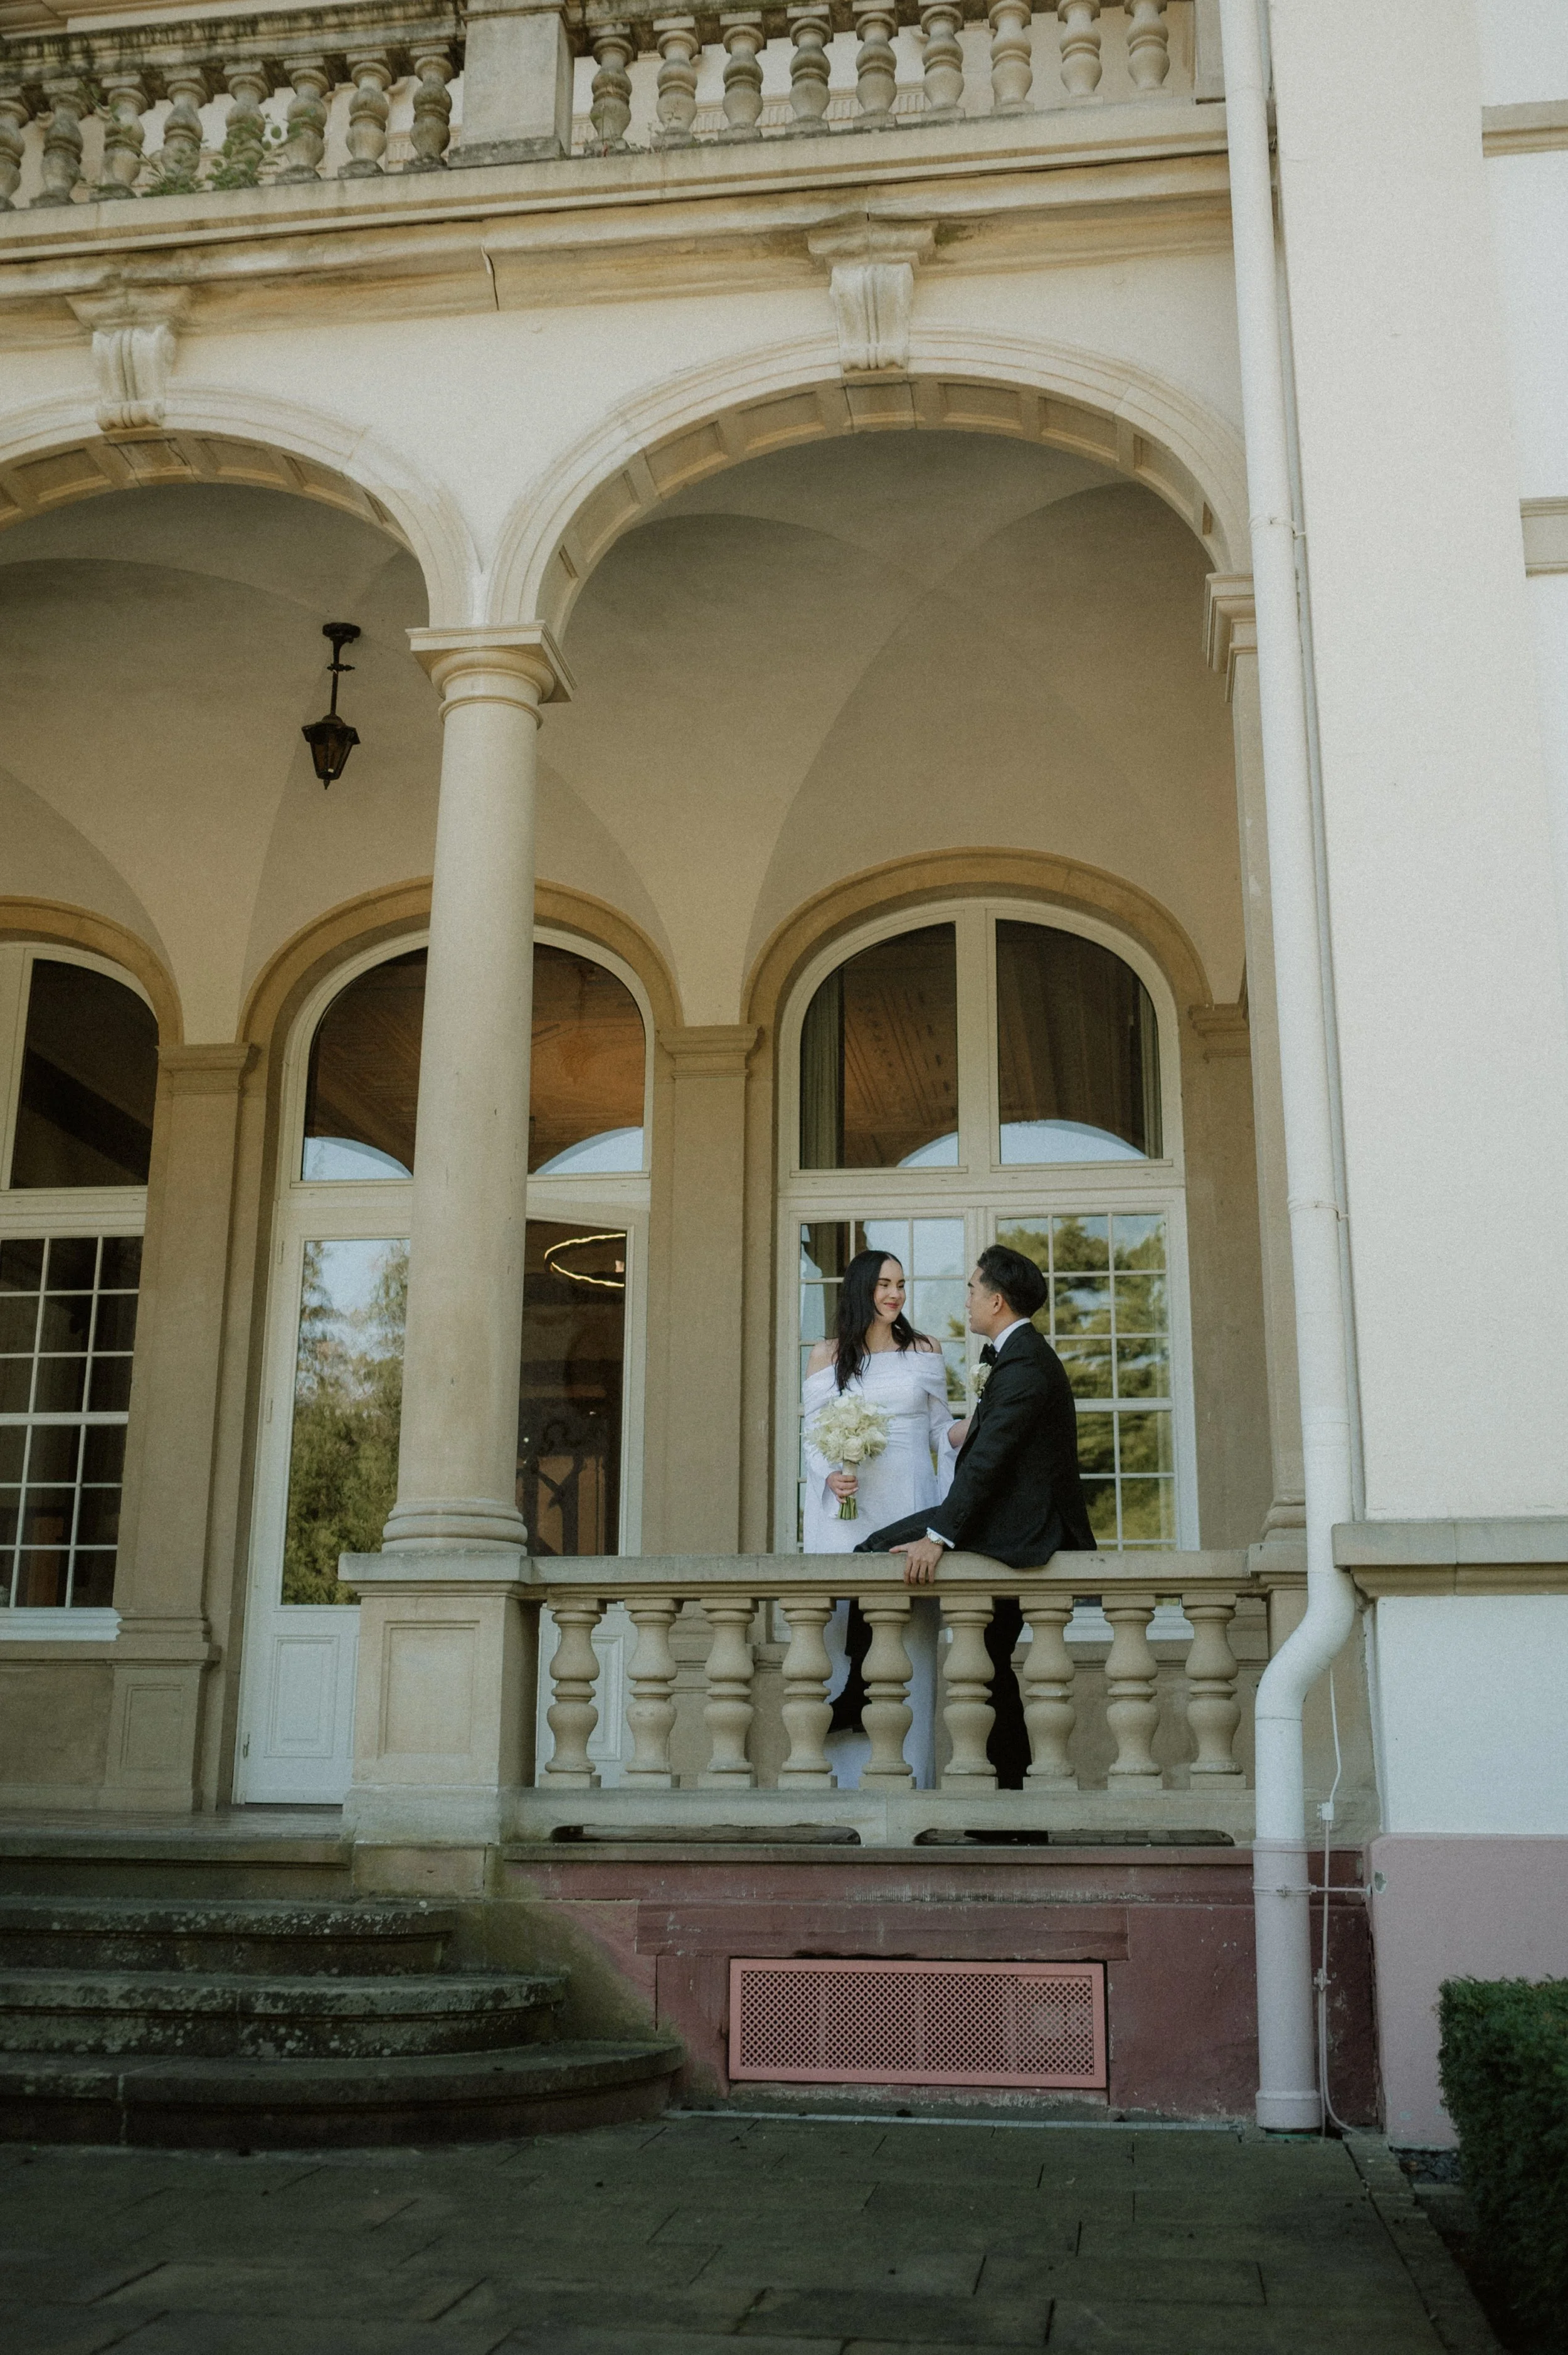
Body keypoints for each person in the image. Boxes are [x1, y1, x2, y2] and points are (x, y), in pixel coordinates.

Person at [855, 1241, 1094, 1784]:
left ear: (997, 1301)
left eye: (971, 1288)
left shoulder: (1026, 1364)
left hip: (1021, 1531)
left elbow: (989, 1462)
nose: (965, 1299)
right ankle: (1005, 1802)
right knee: (986, 1668)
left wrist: (938, 1536)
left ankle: (1009, 1802)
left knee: (984, 1667)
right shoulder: (1016, 1356)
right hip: (1003, 1521)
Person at [800, 1249, 961, 1787]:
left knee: (907, 1628)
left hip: (909, 1497)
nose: (895, 1295)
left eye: (901, 1284)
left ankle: (911, 1780)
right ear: (862, 1289)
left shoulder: (924, 1350)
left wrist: (979, 1428)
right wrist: (829, 1477)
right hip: (851, 1507)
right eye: (884, 1285)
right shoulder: (827, 1355)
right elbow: (814, 1434)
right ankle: (844, 1788)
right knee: (851, 1616)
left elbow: (943, 1431)